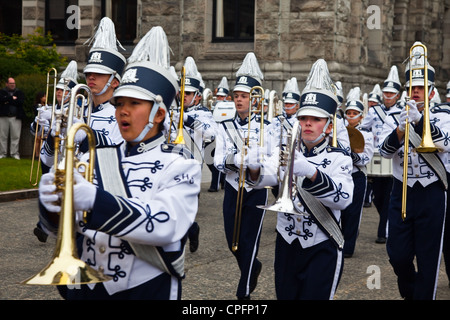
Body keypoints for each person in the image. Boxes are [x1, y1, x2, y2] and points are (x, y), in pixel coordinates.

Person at [37, 26, 201, 300]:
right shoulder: (91, 158)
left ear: (159, 114)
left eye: (134, 103)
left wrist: (96, 200)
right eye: (118, 102)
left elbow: (165, 224)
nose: (122, 110)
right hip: (87, 288)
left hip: (145, 290)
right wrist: (51, 206)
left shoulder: (180, 165)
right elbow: (63, 228)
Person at [247, 59, 353, 299]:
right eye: (303, 118)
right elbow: (265, 176)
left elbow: (344, 199)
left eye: (316, 119)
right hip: (287, 241)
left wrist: (311, 172)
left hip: (322, 243)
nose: (307, 123)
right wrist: (253, 167)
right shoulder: (286, 149)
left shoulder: (340, 158)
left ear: (328, 126)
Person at [379, 41, 450, 300]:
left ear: (431, 92)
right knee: (397, 255)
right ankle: (410, 292)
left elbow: (444, 144)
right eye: (412, 88)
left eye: (421, 88)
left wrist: (420, 121)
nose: (416, 93)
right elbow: (383, 152)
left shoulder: (444, 116)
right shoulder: (393, 115)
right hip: (402, 189)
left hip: (432, 192)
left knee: (429, 258)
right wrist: (400, 129)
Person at [214, 52, 271, 300]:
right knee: (232, 242)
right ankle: (252, 267)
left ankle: (244, 290)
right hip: (232, 187)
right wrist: (236, 161)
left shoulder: (269, 127)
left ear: (254, 99)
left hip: (256, 190)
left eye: (243, 96)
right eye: (236, 96)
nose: (238, 100)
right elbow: (215, 160)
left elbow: (273, 163)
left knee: (250, 241)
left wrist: (258, 166)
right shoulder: (224, 126)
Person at [168, 57, 218, 253]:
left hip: (191, 169)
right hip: (170, 166)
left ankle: (190, 230)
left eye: (188, 94)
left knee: (182, 211)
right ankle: (190, 228)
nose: (183, 97)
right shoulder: (173, 111)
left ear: (197, 96)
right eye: (181, 93)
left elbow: (212, 134)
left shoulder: (203, 114)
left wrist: (186, 118)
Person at [360, 65, 403, 244]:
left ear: (398, 96)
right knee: (377, 196)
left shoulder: (402, 111)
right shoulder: (373, 111)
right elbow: (363, 128)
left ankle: (383, 231)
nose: (387, 97)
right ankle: (384, 222)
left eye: (391, 94)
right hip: (376, 156)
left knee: (388, 196)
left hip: (393, 157)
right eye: (385, 93)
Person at [341, 87, 374, 258]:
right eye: (348, 112)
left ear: (361, 116)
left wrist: (349, 153)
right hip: (341, 174)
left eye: (355, 113)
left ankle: (349, 247)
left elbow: (364, 159)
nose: (351, 116)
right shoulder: (338, 131)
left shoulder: (366, 134)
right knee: (340, 210)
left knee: (353, 212)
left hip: (357, 175)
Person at [0, 77, 25, 159]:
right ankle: (2, 153)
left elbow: (20, 102)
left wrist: (6, 101)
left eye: (13, 83)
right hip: (3, 117)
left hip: (15, 117)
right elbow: (1, 100)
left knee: (15, 136)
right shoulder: (2, 92)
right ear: (7, 84)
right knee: (2, 136)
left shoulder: (19, 92)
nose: (12, 85)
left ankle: (14, 153)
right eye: (11, 83)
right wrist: (11, 98)